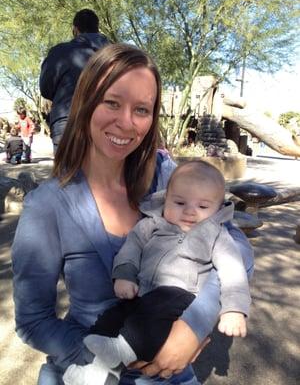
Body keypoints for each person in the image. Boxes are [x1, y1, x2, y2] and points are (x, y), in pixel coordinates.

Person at [12, 43, 254, 385]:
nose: (126, 123)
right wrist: (107, 362)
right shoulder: (48, 205)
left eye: (141, 109)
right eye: (112, 102)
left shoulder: (167, 177)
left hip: (170, 372)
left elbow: (237, 249)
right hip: (85, 367)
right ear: (85, 103)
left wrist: (191, 328)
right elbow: (33, 320)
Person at [63, 160, 251, 385]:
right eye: (180, 202)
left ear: (218, 209)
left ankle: (122, 350)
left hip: (179, 298)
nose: (190, 212)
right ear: (166, 199)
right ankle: (98, 371)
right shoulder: (152, 223)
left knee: (153, 312)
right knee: (113, 317)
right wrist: (125, 273)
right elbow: (131, 247)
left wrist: (234, 309)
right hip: (143, 293)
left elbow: (233, 270)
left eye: (203, 207)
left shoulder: (217, 235)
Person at [39, 8, 109, 151]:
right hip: (106, 126)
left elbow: (46, 89)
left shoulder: (60, 52)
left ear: (75, 29)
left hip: (66, 125)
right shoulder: (117, 55)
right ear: (97, 29)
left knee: (67, 172)